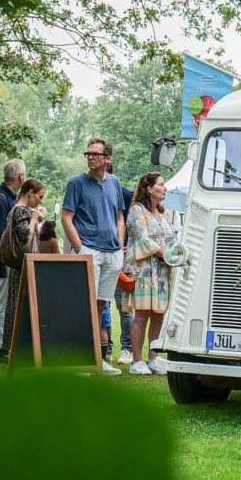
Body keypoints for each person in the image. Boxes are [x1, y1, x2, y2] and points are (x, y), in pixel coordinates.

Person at [61, 138, 124, 376]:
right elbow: (66, 217)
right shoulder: (76, 183)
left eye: (96, 154)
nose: (91, 157)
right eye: (88, 153)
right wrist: (80, 249)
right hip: (90, 250)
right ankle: (80, 360)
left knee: (100, 305)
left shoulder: (115, 183)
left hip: (112, 252)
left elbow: (119, 216)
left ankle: (96, 361)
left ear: (107, 159)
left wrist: (119, 244)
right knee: (85, 305)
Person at [122, 173, 175, 376]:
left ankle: (153, 359)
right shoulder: (137, 210)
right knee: (142, 315)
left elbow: (171, 238)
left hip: (162, 271)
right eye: (161, 184)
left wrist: (173, 255)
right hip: (144, 271)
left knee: (158, 314)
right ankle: (137, 360)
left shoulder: (164, 213)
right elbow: (142, 239)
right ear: (149, 188)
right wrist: (166, 254)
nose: (165, 188)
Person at [0, 159, 25, 364]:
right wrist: (8, 260)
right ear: (20, 177)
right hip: (4, 262)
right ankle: (1, 348)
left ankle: (10, 345)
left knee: (11, 303)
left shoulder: (8, 198)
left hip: (8, 262)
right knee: (3, 303)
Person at [0, 179, 46, 352]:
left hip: (19, 265)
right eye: (39, 196)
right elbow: (25, 234)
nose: (40, 200)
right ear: (30, 193)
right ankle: (14, 347)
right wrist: (34, 219)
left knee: (17, 305)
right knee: (17, 306)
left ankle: (15, 347)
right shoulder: (20, 211)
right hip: (21, 265)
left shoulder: (17, 210)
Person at [107, 162, 135, 365]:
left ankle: (127, 348)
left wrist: (128, 249)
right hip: (100, 254)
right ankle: (104, 347)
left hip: (122, 258)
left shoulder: (127, 195)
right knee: (100, 304)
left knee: (124, 306)